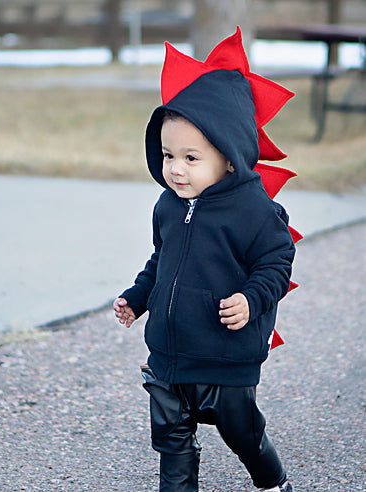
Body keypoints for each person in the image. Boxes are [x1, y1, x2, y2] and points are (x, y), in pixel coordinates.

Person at [113, 28, 297, 492]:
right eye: (168, 154)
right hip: (170, 354)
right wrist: (138, 297)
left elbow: (276, 262)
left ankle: (272, 481)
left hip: (226, 355)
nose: (175, 168)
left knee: (243, 433)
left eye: (191, 157)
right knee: (171, 440)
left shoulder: (254, 210)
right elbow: (162, 261)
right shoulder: (168, 205)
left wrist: (252, 301)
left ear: (230, 158)